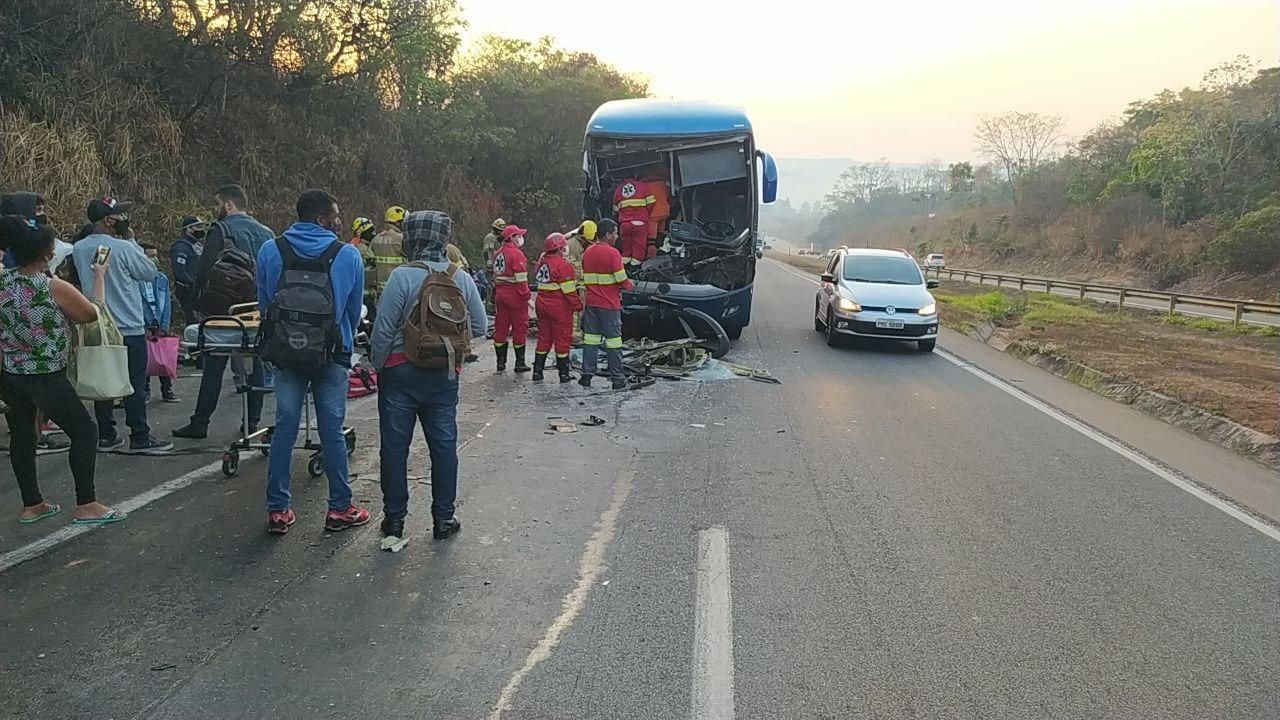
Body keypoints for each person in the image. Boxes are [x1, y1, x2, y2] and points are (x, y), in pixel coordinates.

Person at [371, 210, 486, 549]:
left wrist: (380, 365)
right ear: (442, 238)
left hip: (399, 371)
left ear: (412, 238)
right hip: (443, 373)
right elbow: (480, 326)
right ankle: (443, 519)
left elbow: (382, 330)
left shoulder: (401, 277)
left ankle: (394, 521)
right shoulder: (460, 277)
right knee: (444, 446)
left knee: (394, 448)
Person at [257, 189, 369, 535]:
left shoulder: (270, 249)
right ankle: (339, 508)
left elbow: (264, 303)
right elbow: (352, 311)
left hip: (286, 352)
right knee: (331, 430)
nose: (339, 222)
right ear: (322, 219)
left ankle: (278, 510)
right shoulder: (347, 255)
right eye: (335, 216)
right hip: (331, 354)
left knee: (284, 427)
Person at [0, 217, 125, 524]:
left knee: (22, 434)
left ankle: (32, 503)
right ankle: (87, 503)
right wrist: (99, 277)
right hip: (47, 374)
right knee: (84, 430)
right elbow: (90, 314)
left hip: (11, 372)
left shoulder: (3, 283)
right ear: (45, 253)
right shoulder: (53, 286)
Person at [71, 197, 173, 454]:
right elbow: (150, 272)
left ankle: (107, 435)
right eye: (119, 216)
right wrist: (130, 239)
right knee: (134, 384)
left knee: (103, 381)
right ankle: (140, 435)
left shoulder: (80, 248)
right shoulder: (125, 247)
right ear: (109, 221)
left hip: (98, 322)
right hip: (128, 325)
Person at [172, 185, 273, 440]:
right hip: (256, 311)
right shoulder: (266, 232)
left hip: (223, 310)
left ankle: (201, 422)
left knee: (214, 366)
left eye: (217, 204)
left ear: (228, 205)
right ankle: (252, 421)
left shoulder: (221, 230)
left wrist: (196, 304)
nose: (214, 210)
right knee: (255, 364)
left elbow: (204, 270)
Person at [579, 218, 633, 390]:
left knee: (590, 340)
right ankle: (617, 379)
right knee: (614, 342)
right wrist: (631, 285)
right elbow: (621, 280)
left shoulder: (587, 252)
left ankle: (586, 375)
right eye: (615, 233)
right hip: (609, 304)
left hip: (591, 303)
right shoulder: (613, 253)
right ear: (608, 234)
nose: (617, 236)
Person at [532, 232, 582, 383]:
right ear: (560, 248)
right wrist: (578, 306)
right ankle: (563, 375)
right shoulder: (563, 266)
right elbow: (569, 292)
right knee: (562, 340)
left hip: (541, 304)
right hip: (559, 308)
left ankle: (537, 372)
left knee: (544, 339)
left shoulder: (542, 262)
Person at [140, 244, 179, 403]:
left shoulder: (161, 278)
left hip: (159, 319)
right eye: (150, 255)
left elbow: (167, 304)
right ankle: (145, 389)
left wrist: (164, 325)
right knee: (146, 358)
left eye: (155, 255)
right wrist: (144, 326)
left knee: (164, 357)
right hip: (145, 322)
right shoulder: (136, 280)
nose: (153, 259)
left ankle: (167, 389)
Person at [491, 224, 531, 373]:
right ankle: (519, 363)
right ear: (511, 238)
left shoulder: (497, 253)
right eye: (518, 235)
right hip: (516, 297)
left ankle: (500, 363)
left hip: (500, 296)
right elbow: (521, 280)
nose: (521, 238)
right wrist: (527, 297)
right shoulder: (517, 254)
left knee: (500, 329)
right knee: (520, 328)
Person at [168, 216, 205, 326]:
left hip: (198, 290)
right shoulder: (181, 247)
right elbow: (179, 271)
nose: (201, 230)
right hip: (187, 290)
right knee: (192, 321)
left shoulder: (197, 244)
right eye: (198, 227)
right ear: (189, 229)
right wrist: (193, 284)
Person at [612, 177, 655, 265]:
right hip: (640, 222)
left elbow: (615, 209)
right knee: (639, 245)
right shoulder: (644, 187)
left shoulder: (619, 189)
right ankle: (636, 264)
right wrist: (645, 214)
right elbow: (651, 203)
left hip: (624, 224)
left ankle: (625, 262)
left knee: (626, 246)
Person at [370, 205, 406, 294]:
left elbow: (369, 264)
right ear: (398, 223)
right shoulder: (402, 239)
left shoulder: (376, 239)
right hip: (399, 289)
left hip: (380, 290)